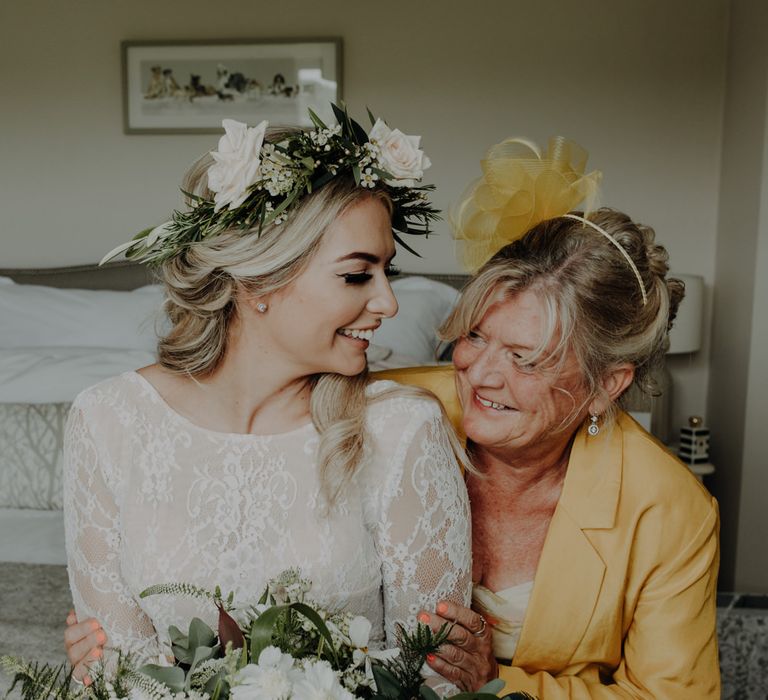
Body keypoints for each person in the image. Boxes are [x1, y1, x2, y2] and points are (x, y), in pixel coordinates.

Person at [62, 110, 472, 690]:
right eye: (358, 276)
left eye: (388, 272)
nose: (388, 303)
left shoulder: (403, 429)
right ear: (258, 283)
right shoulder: (107, 421)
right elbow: (120, 672)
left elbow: (433, 677)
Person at [395, 138, 719, 697]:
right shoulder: (396, 412)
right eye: (475, 335)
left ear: (605, 386)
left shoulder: (670, 512)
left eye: (525, 358)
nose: (479, 374)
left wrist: (497, 683)